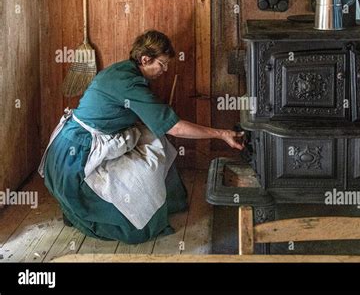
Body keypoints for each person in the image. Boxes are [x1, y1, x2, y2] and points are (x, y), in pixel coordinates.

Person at [38, 30, 244, 244]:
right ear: (145, 59)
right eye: (162, 64)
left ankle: (164, 201)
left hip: (78, 138)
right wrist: (221, 134)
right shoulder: (129, 84)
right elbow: (175, 128)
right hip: (77, 154)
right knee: (142, 186)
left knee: (155, 141)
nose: (164, 70)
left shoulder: (124, 70)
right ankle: (139, 216)